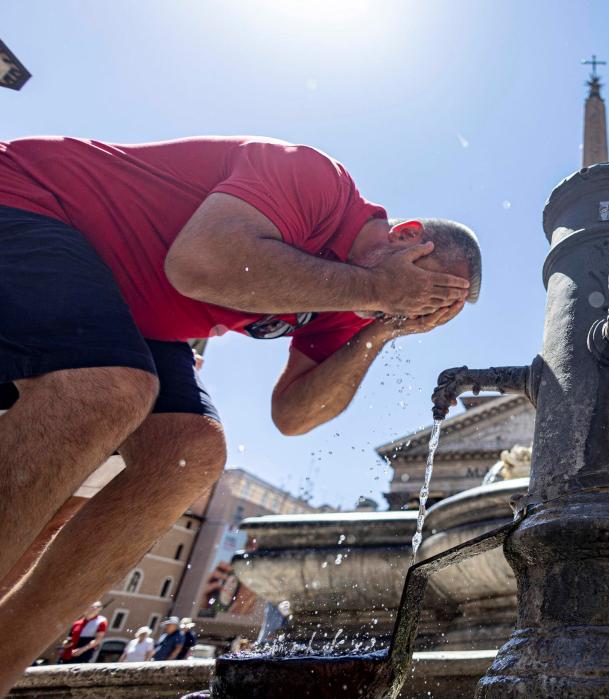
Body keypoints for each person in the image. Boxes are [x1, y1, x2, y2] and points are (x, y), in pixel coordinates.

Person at [0, 136, 480, 692]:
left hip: (135, 312)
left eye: (433, 306)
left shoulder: (359, 301)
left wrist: (382, 324)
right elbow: (199, 263)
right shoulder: (316, 180)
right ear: (406, 236)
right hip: (34, 202)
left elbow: (293, 415)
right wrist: (380, 288)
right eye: (423, 283)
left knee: (191, 453)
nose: (418, 301)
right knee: (110, 388)